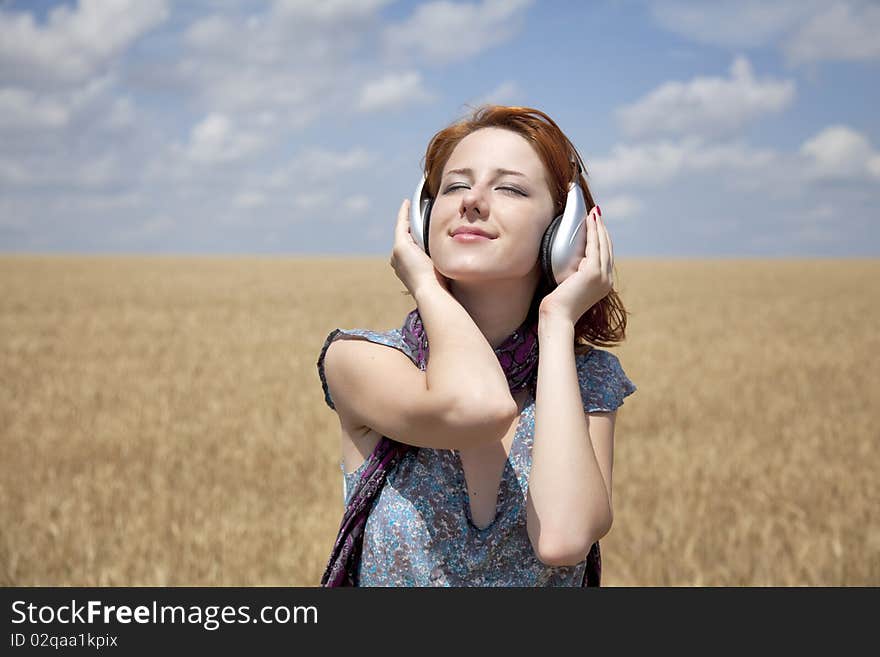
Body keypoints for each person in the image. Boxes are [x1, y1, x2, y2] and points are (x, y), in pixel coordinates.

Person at [316, 105, 636, 586]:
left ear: (563, 232)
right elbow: (477, 406)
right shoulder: (361, 360)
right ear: (425, 219)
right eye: (455, 185)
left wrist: (557, 321)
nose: (473, 201)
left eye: (509, 188)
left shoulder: (587, 378)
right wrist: (426, 286)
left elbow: (563, 540)